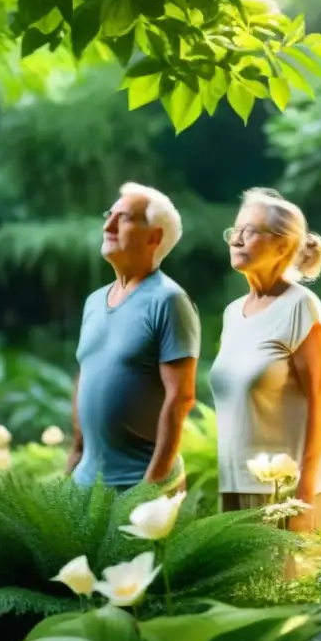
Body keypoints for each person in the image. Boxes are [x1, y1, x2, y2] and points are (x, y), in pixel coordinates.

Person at [210, 189, 321, 531]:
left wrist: (305, 489)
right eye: (234, 231)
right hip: (234, 485)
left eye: (249, 231)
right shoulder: (232, 313)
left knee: (287, 584)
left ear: (282, 245)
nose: (236, 239)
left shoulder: (301, 307)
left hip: (286, 492)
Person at [68, 183, 201, 492]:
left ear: (154, 237)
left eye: (124, 218)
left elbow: (181, 397)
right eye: (109, 215)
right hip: (88, 482)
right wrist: (77, 449)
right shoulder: (93, 301)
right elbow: (85, 374)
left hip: (140, 484)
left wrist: (151, 485)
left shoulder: (169, 300)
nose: (108, 225)